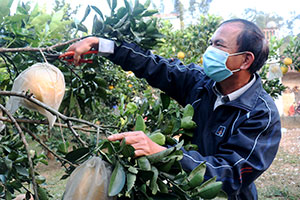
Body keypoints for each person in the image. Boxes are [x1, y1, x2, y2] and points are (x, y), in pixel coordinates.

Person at [67, 19, 281, 199]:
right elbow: (154, 65)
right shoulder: (200, 84)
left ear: (245, 60)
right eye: (210, 43)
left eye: (219, 45)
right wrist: (102, 45)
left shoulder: (261, 114)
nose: (209, 51)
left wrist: (162, 153)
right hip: (186, 191)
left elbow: (231, 173)